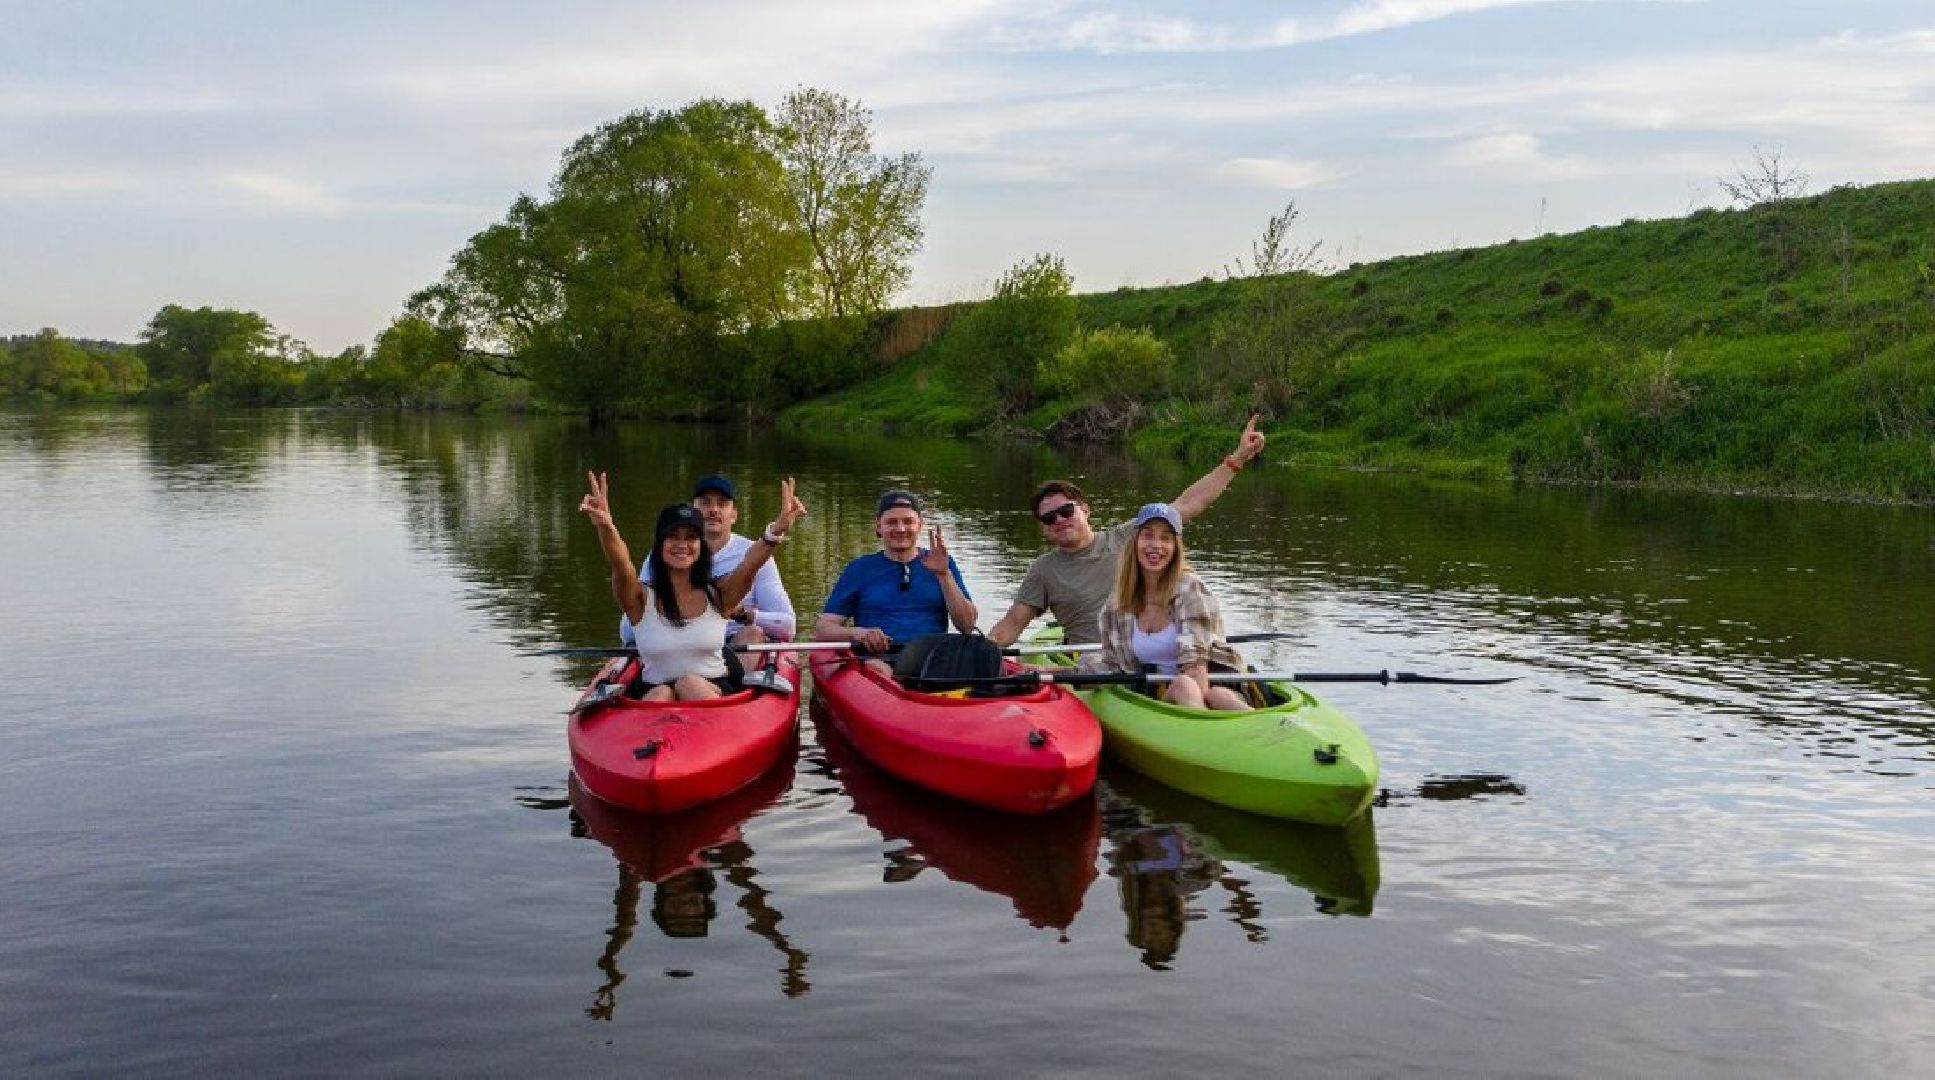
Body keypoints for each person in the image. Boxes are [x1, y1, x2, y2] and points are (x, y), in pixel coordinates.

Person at [988, 416, 1267, 648]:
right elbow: (1013, 624)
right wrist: (983, 649)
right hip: (1094, 658)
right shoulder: (1043, 570)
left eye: (1066, 511)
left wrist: (1238, 458)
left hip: (1151, 650)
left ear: (1085, 510)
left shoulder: (1133, 536)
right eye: (1049, 518)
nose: (1059, 520)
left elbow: (1190, 502)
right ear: (1044, 529)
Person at [580, 472, 807, 701]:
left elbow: (751, 564)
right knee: (661, 694)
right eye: (672, 537)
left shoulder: (720, 596)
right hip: (654, 686)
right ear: (659, 546)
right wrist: (606, 526)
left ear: (701, 546)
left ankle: (715, 730)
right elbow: (621, 564)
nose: (682, 545)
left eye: (690, 538)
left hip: (712, 686)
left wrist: (776, 530)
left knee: (689, 685)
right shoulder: (638, 599)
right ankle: (657, 733)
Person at [1081, 503, 1252, 711]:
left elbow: (1195, 665)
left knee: (1211, 693)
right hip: (1159, 690)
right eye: (1148, 535)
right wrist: (1057, 672)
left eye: (1166, 538)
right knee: (1184, 686)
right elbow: (1113, 665)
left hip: (1209, 678)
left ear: (1175, 548)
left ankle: (1254, 732)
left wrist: (1198, 700)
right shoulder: (1117, 602)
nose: (1156, 545)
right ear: (1134, 542)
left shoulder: (1191, 588)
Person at [619, 473, 797, 649]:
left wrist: (741, 614)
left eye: (722, 503)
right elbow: (628, 629)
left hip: (733, 647)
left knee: (752, 633)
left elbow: (788, 626)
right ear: (692, 512)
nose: (713, 510)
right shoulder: (662, 556)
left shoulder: (754, 557)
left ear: (734, 514)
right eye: (705, 503)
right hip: (678, 642)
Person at [814, 489, 977, 673]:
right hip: (879, 661)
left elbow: (967, 626)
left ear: (919, 525)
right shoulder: (860, 569)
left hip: (932, 662)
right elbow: (823, 629)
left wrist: (944, 575)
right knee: (877, 669)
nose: (900, 529)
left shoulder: (943, 563)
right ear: (878, 526)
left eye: (908, 522)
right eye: (891, 522)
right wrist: (858, 633)